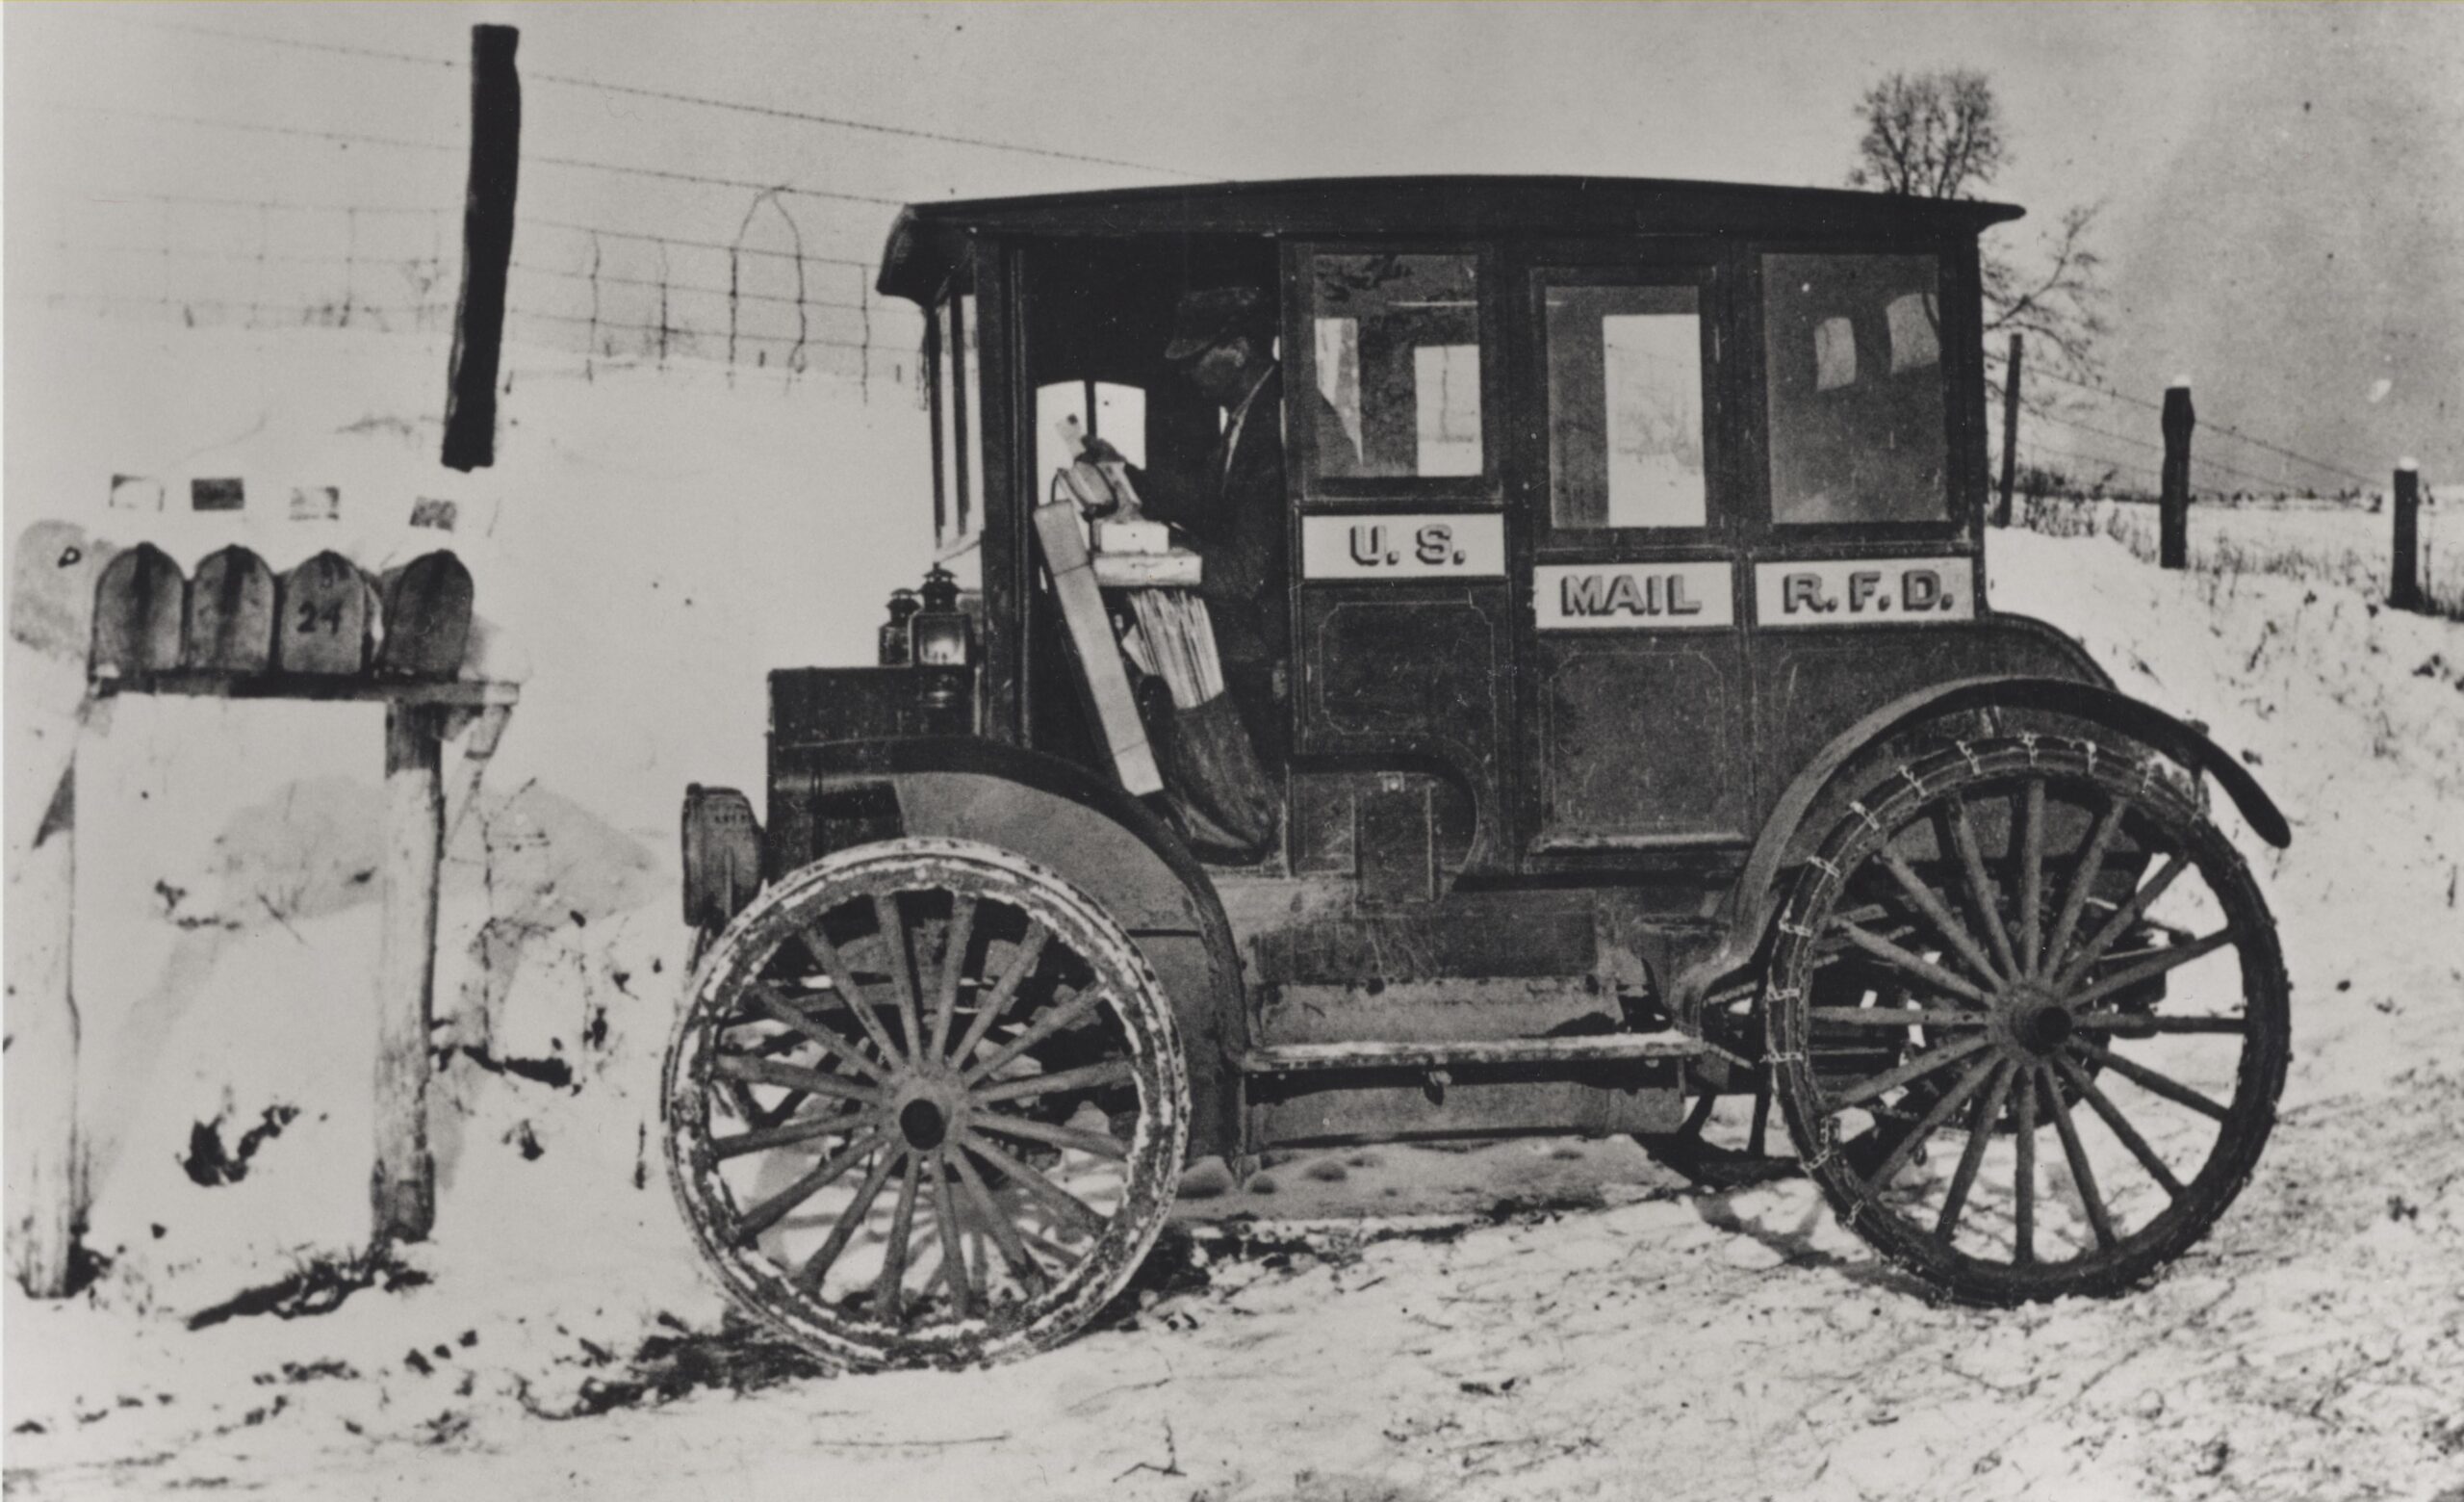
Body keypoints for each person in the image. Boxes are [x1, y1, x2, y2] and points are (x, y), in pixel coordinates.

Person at [1084, 286, 1291, 774]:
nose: (1187, 373)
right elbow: (1206, 502)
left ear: (1238, 350)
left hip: (1268, 642)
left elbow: (1243, 575)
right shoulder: (1249, 417)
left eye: (1196, 359)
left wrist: (1163, 543)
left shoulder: (1278, 426)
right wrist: (1123, 473)